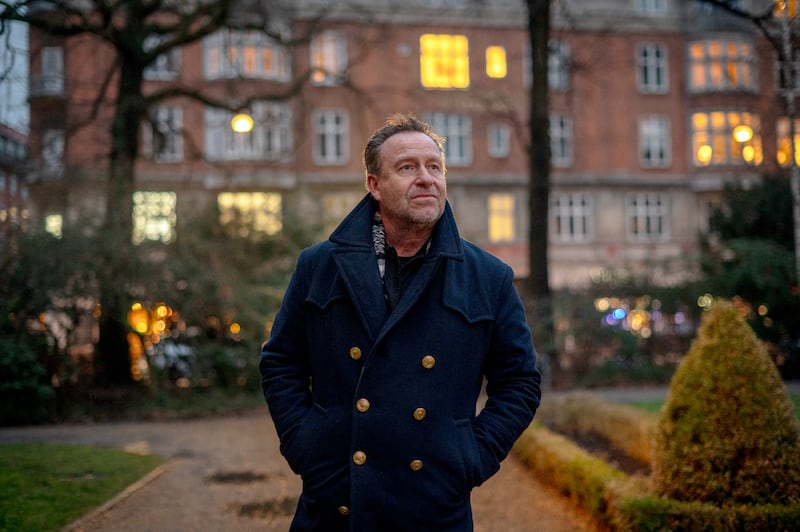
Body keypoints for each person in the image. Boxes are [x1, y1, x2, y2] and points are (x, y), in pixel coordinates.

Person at [260, 113, 541, 531]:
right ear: (374, 185)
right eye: (408, 167)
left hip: (434, 505)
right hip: (336, 501)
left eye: (435, 167)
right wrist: (306, 444)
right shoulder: (320, 266)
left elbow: (520, 382)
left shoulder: (488, 276)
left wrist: (472, 455)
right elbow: (281, 363)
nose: (426, 178)